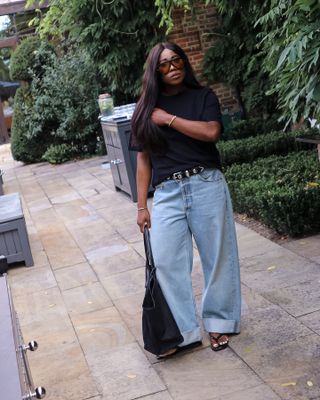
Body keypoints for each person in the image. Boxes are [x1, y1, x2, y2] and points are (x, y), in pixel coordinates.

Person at [131, 42, 241, 357]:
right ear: (155, 71)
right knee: (166, 262)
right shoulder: (146, 110)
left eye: (176, 60)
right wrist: (141, 206)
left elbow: (210, 132)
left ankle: (219, 321)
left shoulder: (203, 97)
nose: (172, 67)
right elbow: (143, 161)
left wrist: (169, 120)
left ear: (184, 63)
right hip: (167, 192)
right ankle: (183, 331)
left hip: (206, 183)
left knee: (217, 257)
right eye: (164, 64)